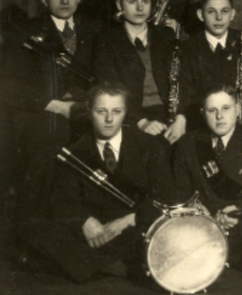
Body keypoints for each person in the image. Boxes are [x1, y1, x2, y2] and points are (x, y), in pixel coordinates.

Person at [28, 82, 173, 283]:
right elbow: (63, 201)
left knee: (158, 228)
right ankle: (118, 266)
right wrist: (85, 221)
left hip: (132, 227)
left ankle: (94, 264)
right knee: (35, 229)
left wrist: (127, 221)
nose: (109, 119)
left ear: (126, 112)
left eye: (116, 111)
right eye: (101, 111)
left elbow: (166, 196)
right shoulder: (75, 150)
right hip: (97, 233)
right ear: (89, 112)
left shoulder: (148, 145)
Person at [9, 0, 102, 234]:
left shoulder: (95, 29)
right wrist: (57, 106)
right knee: (48, 144)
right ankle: (36, 230)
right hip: (44, 110)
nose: (64, 1)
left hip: (87, 107)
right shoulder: (26, 31)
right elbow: (12, 85)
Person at [173, 85, 242, 271]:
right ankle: (233, 253)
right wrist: (200, 212)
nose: (219, 116)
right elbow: (181, 190)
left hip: (240, 217)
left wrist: (239, 211)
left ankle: (216, 252)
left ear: (237, 109)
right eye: (212, 110)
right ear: (202, 113)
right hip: (204, 218)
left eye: (226, 108)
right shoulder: (188, 143)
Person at [92, 0, 184, 143]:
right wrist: (141, 122)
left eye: (145, 1)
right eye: (132, 1)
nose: (140, 8)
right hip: (131, 115)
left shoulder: (166, 35)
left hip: (171, 113)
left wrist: (181, 118)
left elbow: (184, 81)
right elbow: (111, 88)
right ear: (119, 5)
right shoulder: (106, 40)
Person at [177, 0, 241, 128]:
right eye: (211, 11)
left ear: (232, 14)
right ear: (201, 15)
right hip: (202, 121)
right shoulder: (187, 48)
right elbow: (185, 92)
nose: (219, 17)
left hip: (240, 119)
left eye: (224, 11)